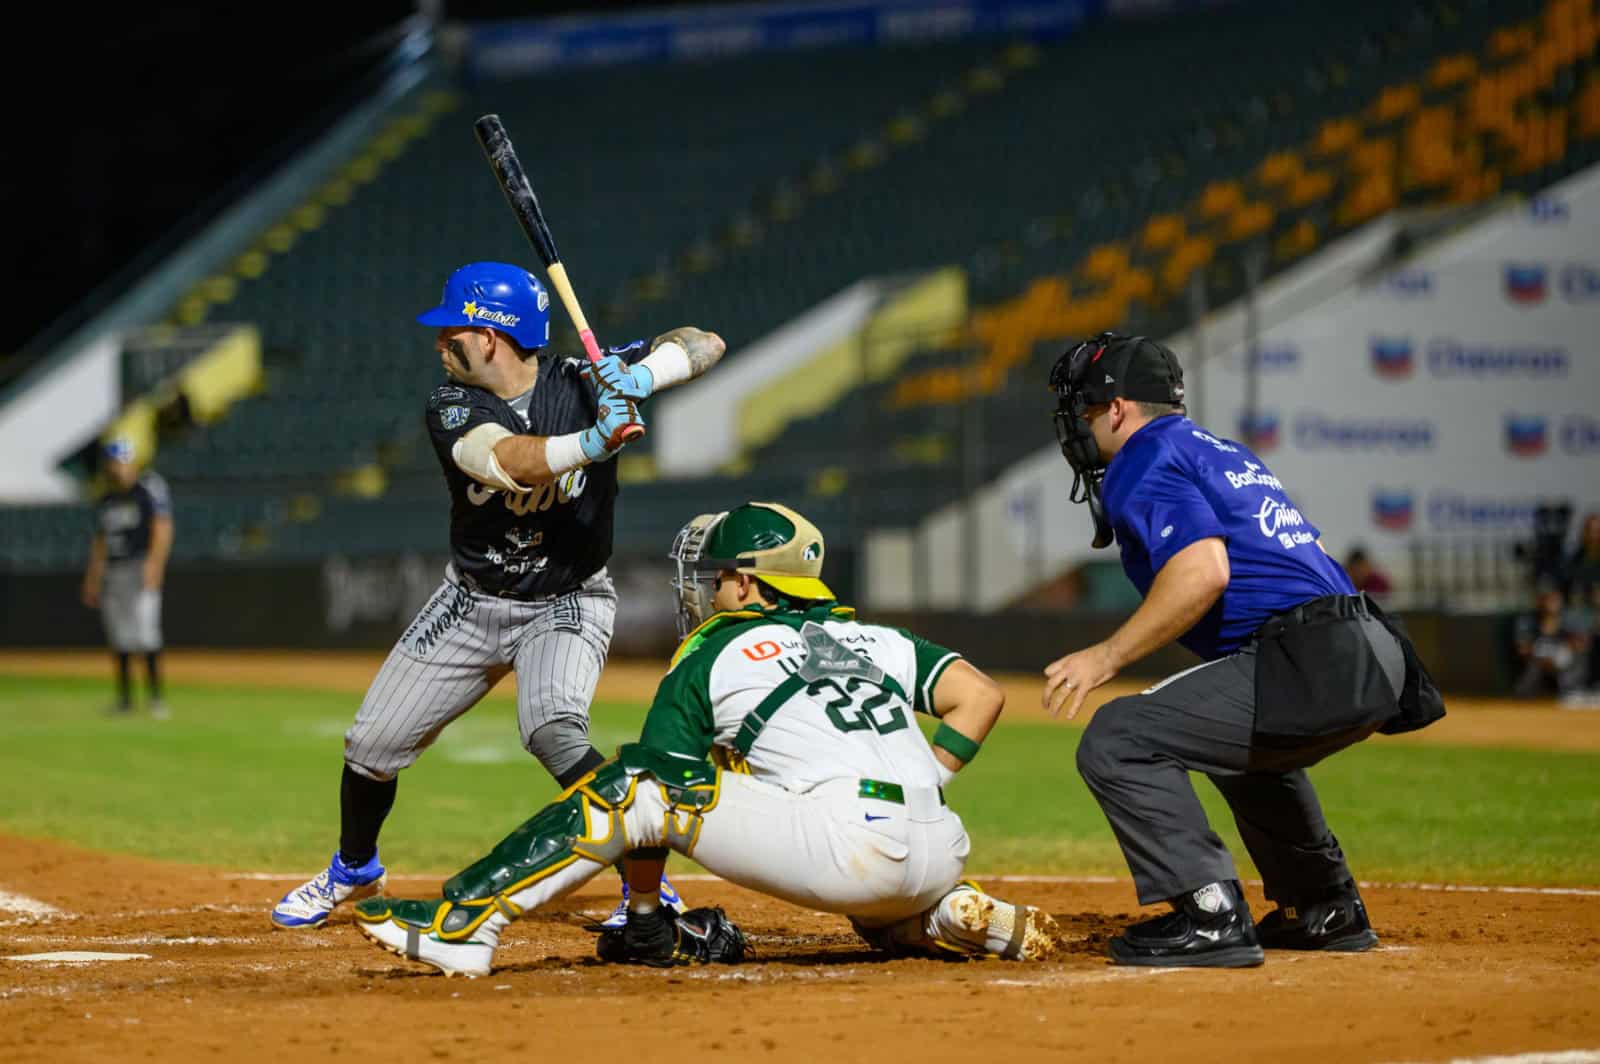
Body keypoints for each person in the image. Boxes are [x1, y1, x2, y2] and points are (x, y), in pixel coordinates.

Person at [350, 501, 1061, 976]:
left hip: (851, 846)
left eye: (719, 577)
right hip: (941, 846)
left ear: (750, 587)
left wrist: (648, 913)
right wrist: (929, 780)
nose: (708, 592)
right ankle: (953, 917)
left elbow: (657, 784)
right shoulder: (866, 636)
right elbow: (982, 696)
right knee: (875, 901)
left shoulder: (714, 649)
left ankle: (462, 923)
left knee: (638, 782)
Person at [271, 261, 726, 930]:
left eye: (451, 331)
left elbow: (704, 342)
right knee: (370, 748)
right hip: (472, 600)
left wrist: (641, 376)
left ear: (490, 336)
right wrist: (595, 439)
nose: (439, 343)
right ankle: (354, 867)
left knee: (555, 732)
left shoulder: (579, 379)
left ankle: (645, 886)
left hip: (570, 598)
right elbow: (504, 461)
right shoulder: (451, 404)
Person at [1042, 332, 1443, 969]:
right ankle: (1324, 907)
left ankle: (1209, 914)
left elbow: (1204, 571)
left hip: (1313, 655)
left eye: (1087, 412)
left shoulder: (1142, 456)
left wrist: (1106, 656)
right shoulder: (1217, 450)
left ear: (1116, 408)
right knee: (1237, 751)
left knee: (1117, 737)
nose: (1084, 430)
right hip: (1374, 648)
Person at [80, 437, 173, 719]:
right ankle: (125, 700)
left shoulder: (147, 489)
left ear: (131, 462)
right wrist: (93, 577)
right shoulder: (107, 497)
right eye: (113, 461)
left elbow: (162, 527)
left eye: (121, 461)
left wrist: (156, 564)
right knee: (119, 635)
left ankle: (156, 699)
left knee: (146, 631)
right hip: (115, 569)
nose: (117, 467)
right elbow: (100, 541)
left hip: (139, 566)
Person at [1510, 583, 1590, 700]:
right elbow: (1523, 649)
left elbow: (1581, 644)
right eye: (1549, 599)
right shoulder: (1528, 620)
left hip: (1565, 663)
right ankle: (1526, 694)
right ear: (1541, 601)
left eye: (1556, 599)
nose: (1553, 603)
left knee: (1577, 659)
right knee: (1530, 676)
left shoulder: (1569, 618)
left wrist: (1567, 649)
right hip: (1538, 662)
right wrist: (1544, 659)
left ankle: (1573, 690)